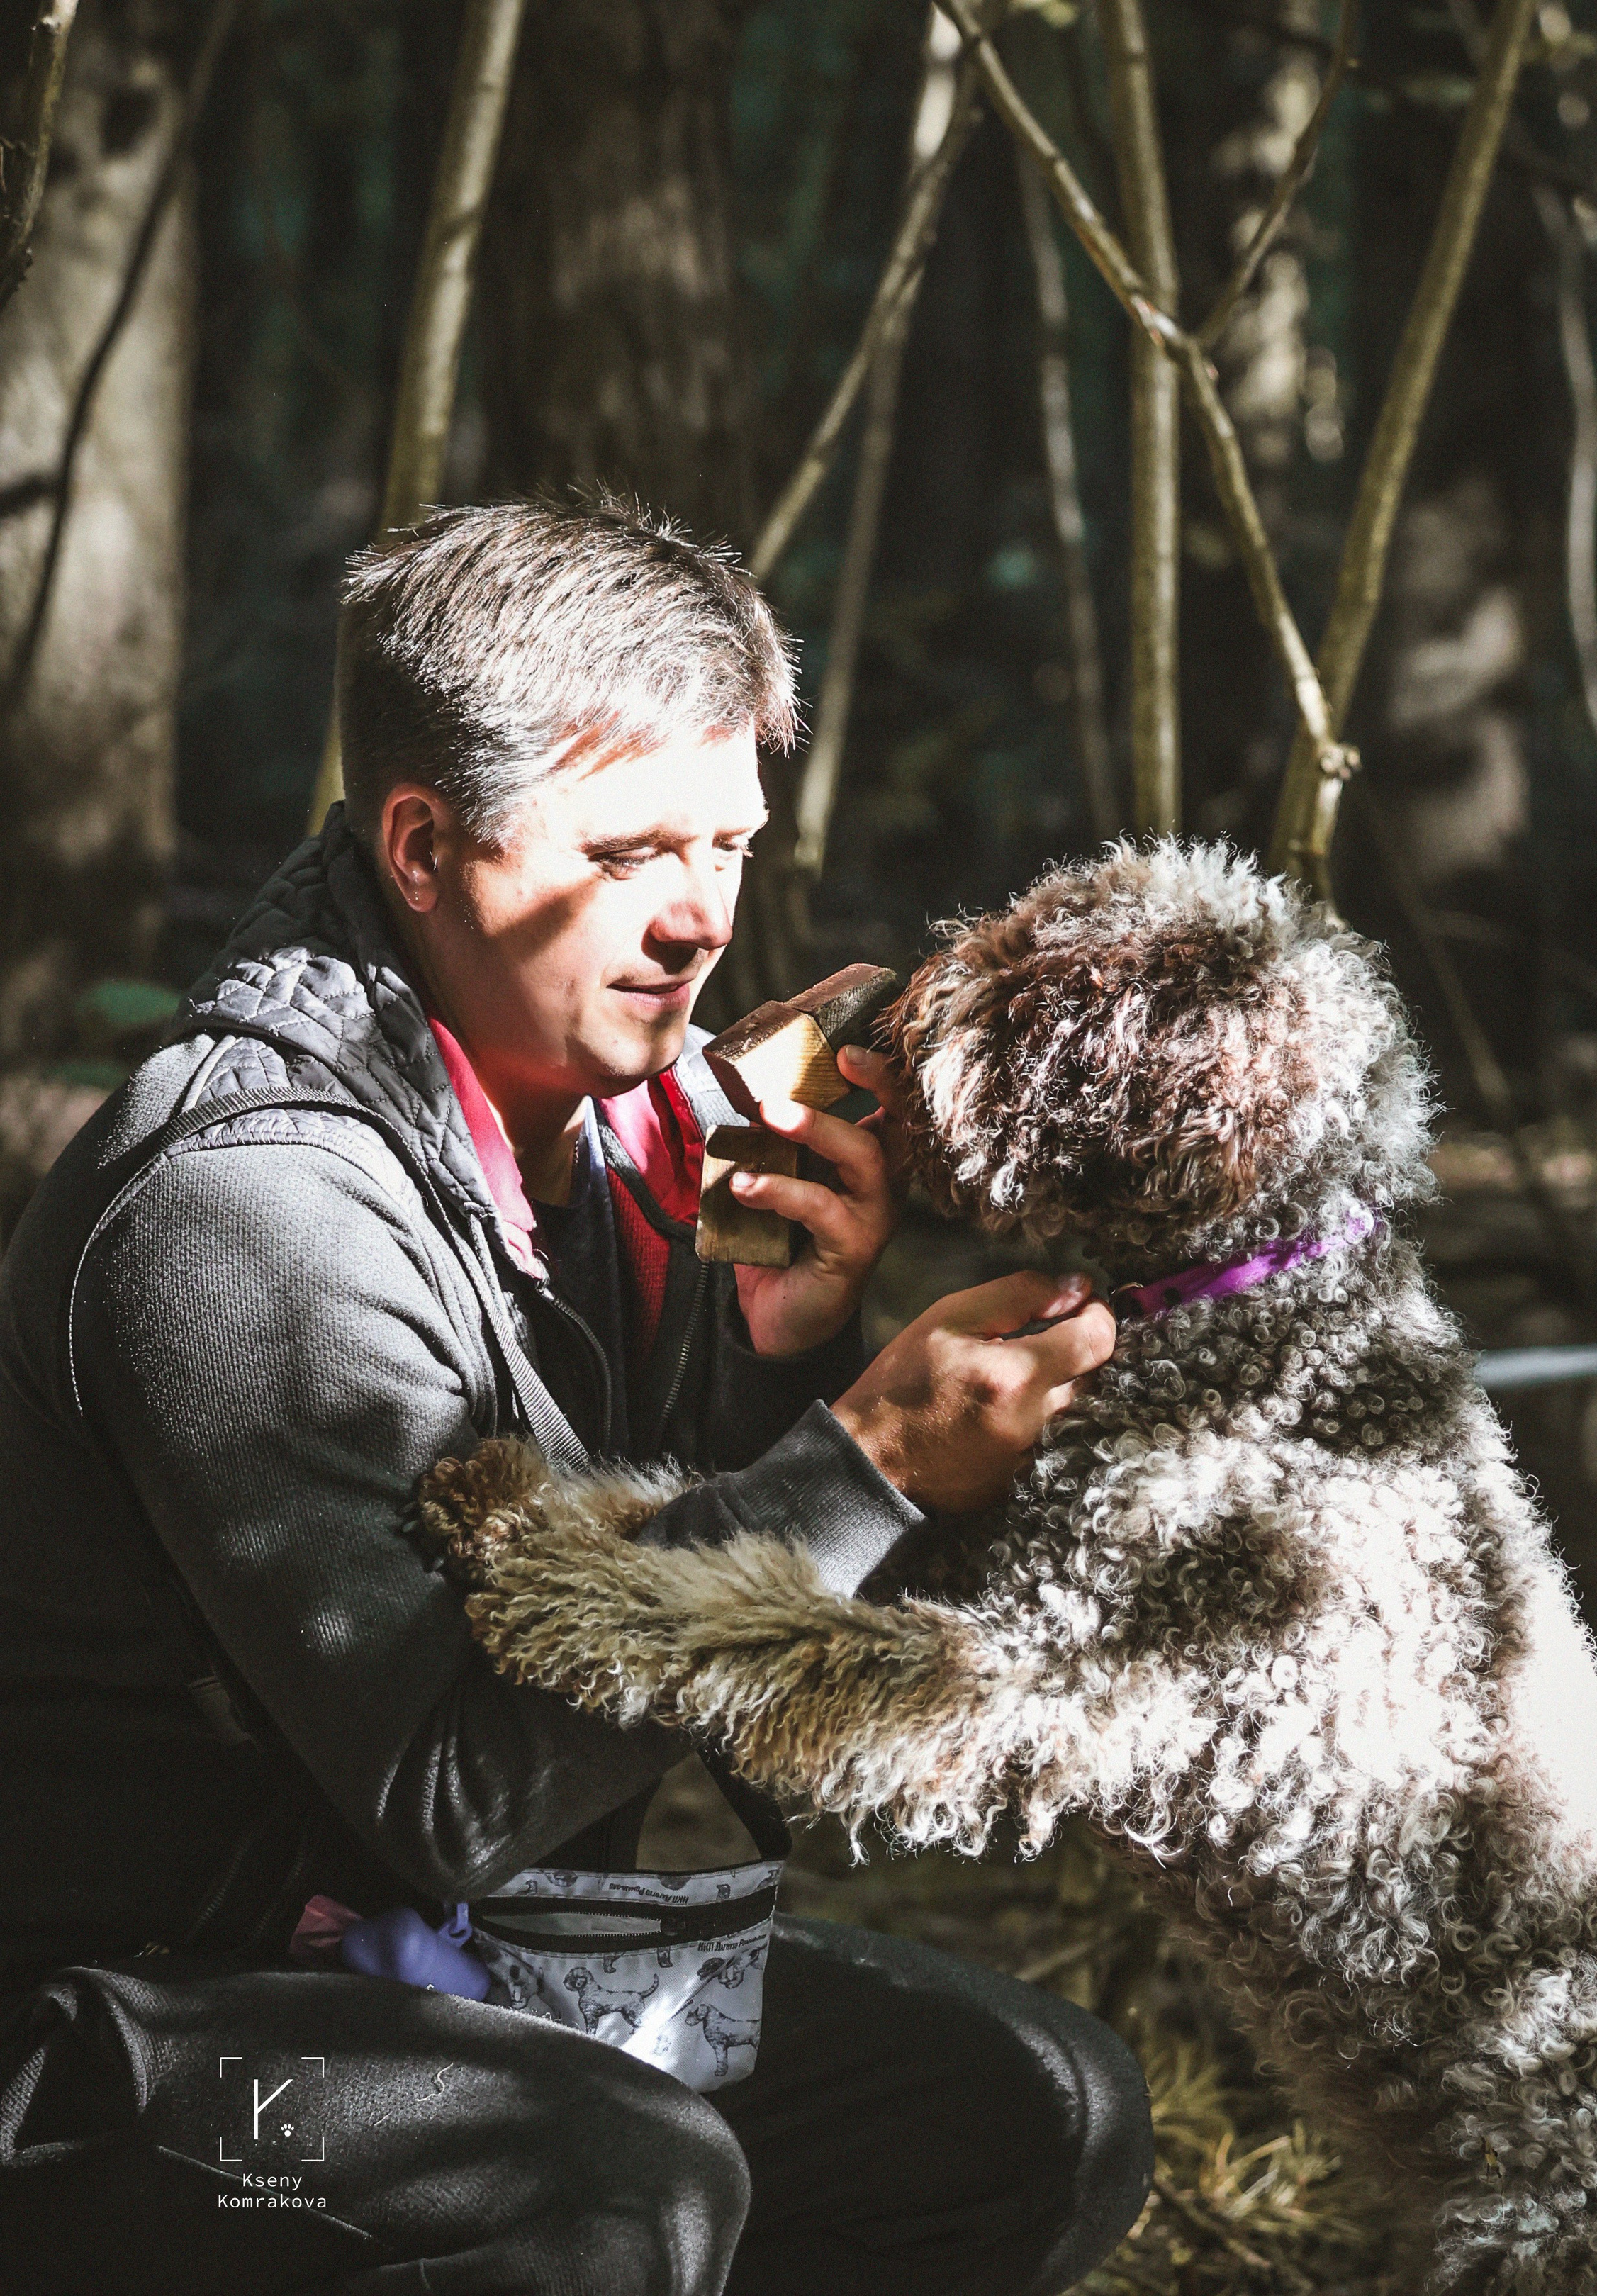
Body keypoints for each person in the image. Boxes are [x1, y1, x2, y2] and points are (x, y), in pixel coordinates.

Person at [0, 495, 1151, 2295]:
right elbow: (451, 1789)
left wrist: (794, 1367)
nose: (699, 922)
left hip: (469, 1962)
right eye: (627, 856)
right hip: (118, 2029)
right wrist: (858, 1470)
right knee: (609, 2183)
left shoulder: (619, 1144)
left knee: (1035, 2109)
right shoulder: (247, 1205)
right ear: (421, 842)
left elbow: (794, 1715)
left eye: (731, 844)